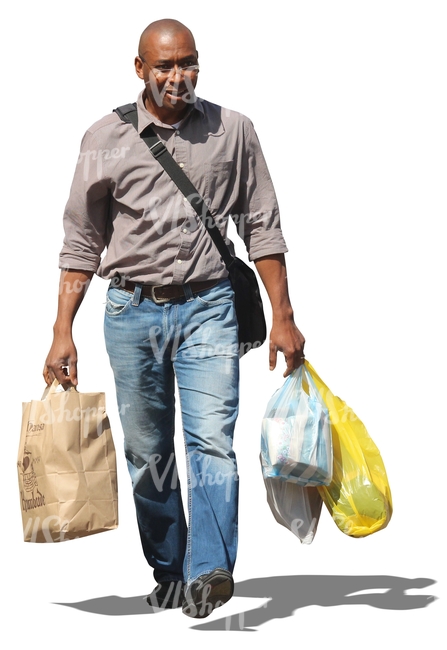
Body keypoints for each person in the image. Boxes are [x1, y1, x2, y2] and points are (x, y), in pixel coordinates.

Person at [43, 18, 305, 619]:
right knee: (147, 449)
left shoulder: (233, 131)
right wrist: (62, 330)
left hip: (209, 305)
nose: (177, 77)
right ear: (140, 69)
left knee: (211, 440)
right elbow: (82, 240)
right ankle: (169, 567)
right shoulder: (104, 138)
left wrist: (283, 316)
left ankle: (210, 570)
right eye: (164, 66)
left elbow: (262, 224)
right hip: (130, 311)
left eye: (187, 63)